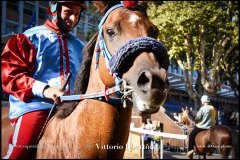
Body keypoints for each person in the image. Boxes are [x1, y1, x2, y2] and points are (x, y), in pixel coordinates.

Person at [1, 1, 87, 159]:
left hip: (74, 108)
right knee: (20, 152)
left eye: (77, 14)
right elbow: (11, 76)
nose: (73, 18)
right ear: (54, 9)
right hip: (37, 106)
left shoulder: (81, 46)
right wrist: (46, 90)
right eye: (68, 12)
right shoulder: (29, 37)